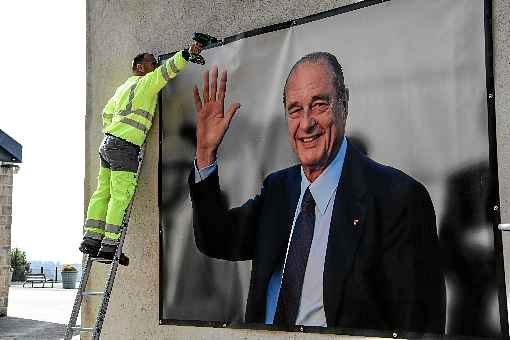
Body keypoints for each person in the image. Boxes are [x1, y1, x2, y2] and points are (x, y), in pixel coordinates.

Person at [188, 52, 446, 333]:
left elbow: (420, 326)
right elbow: (216, 238)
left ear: (344, 105)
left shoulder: (398, 199)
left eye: (319, 105)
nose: (306, 123)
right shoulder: (278, 190)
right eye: (295, 110)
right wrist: (205, 154)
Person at [80, 42, 203, 259]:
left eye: (156, 62)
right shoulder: (146, 83)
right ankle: (110, 247)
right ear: (140, 67)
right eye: (152, 62)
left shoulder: (123, 88)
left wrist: (115, 129)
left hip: (108, 143)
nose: (156, 65)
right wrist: (187, 53)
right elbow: (167, 71)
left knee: (103, 192)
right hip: (124, 146)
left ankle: (91, 240)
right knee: (120, 195)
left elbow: (106, 113)